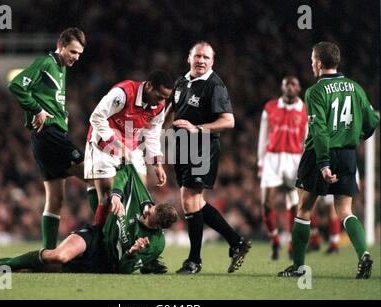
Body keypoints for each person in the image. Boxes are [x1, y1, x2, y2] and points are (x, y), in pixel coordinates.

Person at [0, 165, 178, 274]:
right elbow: (127, 170)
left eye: (148, 216)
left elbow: (122, 270)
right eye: (150, 208)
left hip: (104, 264)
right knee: (58, 254)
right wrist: (117, 194)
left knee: (39, 269)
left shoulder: (155, 244)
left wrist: (132, 253)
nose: (145, 211)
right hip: (95, 237)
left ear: (157, 227)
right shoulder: (142, 198)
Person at [278, 42, 379, 279]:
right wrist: (355, 136)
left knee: (303, 209)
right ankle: (363, 253)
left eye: (312, 59)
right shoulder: (355, 87)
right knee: (345, 209)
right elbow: (372, 121)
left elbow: (320, 130)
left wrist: (323, 163)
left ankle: (299, 266)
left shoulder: (315, 91)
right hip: (347, 154)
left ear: (320, 63)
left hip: (319, 155)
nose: (311, 63)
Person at [165, 41, 251, 274]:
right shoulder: (182, 81)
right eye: (198, 56)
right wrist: (158, 134)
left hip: (201, 146)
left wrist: (197, 128)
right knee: (193, 203)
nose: (201, 60)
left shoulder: (215, 85)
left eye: (206, 57)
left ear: (212, 61)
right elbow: (171, 109)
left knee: (191, 200)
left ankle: (194, 261)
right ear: (189, 58)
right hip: (181, 146)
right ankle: (236, 241)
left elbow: (228, 121)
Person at [8, 28, 86, 250]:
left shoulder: (61, 68)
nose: (76, 57)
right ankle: (106, 241)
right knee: (96, 176)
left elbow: (51, 99)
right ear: (60, 45)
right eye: (72, 51)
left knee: (55, 199)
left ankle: (48, 253)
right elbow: (16, 85)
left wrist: (64, 115)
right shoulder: (45, 62)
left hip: (49, 135)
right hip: (49, 135)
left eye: (79, 54)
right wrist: (35, 109)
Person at [84, 70, 173, 225]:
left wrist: (156, 163)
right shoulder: (123, 93)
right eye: (159, 97)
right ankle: (98, 236)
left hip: (130, 148)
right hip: (103, 145)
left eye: (165, 98)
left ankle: (127, 238)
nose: (161, 102)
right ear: (150, 87)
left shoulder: (158, 106)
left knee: (139, 194)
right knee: (107, 197)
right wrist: (117, 145)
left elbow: (152, 133)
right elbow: (96, 117)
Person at [257, 76, 308, 260]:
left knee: (295, 206)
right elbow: (263, 136)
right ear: (282, 86)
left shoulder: (305, 109)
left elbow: (308, 139)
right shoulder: (270, 107)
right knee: (266, 203)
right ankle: (275, 239)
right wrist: (260, 161)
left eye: (294, 84)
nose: (290, 87)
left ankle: (292, 244)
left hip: (295, 160)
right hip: (272, 158)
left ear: (299, 88)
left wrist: (306, 164)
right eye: (286, 83)